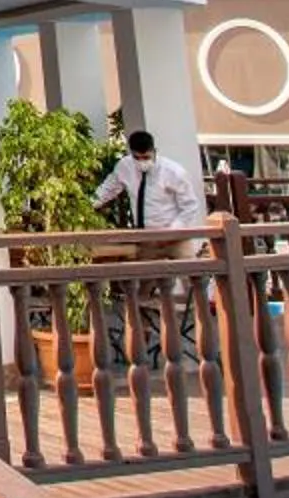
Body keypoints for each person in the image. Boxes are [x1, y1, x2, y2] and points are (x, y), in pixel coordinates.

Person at [86, 131, 209, 378]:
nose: (143, 159)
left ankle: (205, 338)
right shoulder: (125, 167)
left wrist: (172, 232)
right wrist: (87, 204)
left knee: (194, 283)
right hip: (147, 238)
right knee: (140, 289)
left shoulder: (172, 171)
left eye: (146, 155)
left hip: (175, 236)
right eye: (138, 156)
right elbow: (108, 190)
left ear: (154, 150)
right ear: (132, 153)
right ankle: (142, 339)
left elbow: (190, 207)